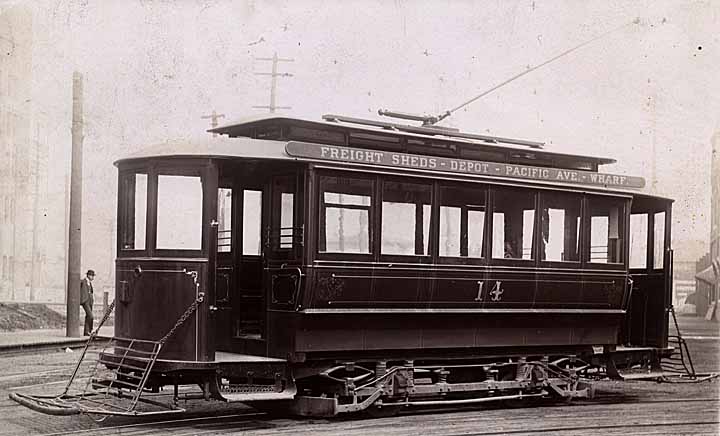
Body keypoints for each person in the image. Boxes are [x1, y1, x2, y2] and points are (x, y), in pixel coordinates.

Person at [80, 269, 95, 336]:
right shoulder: (83, 281)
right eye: (92, 276)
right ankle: (90, 329)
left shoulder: (90, 283)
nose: (93, 277)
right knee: (91, 316)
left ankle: (86, 332)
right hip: (85, 301)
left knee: (88, 316)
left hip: (90, 301)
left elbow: (91, 292)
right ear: (88, 275)